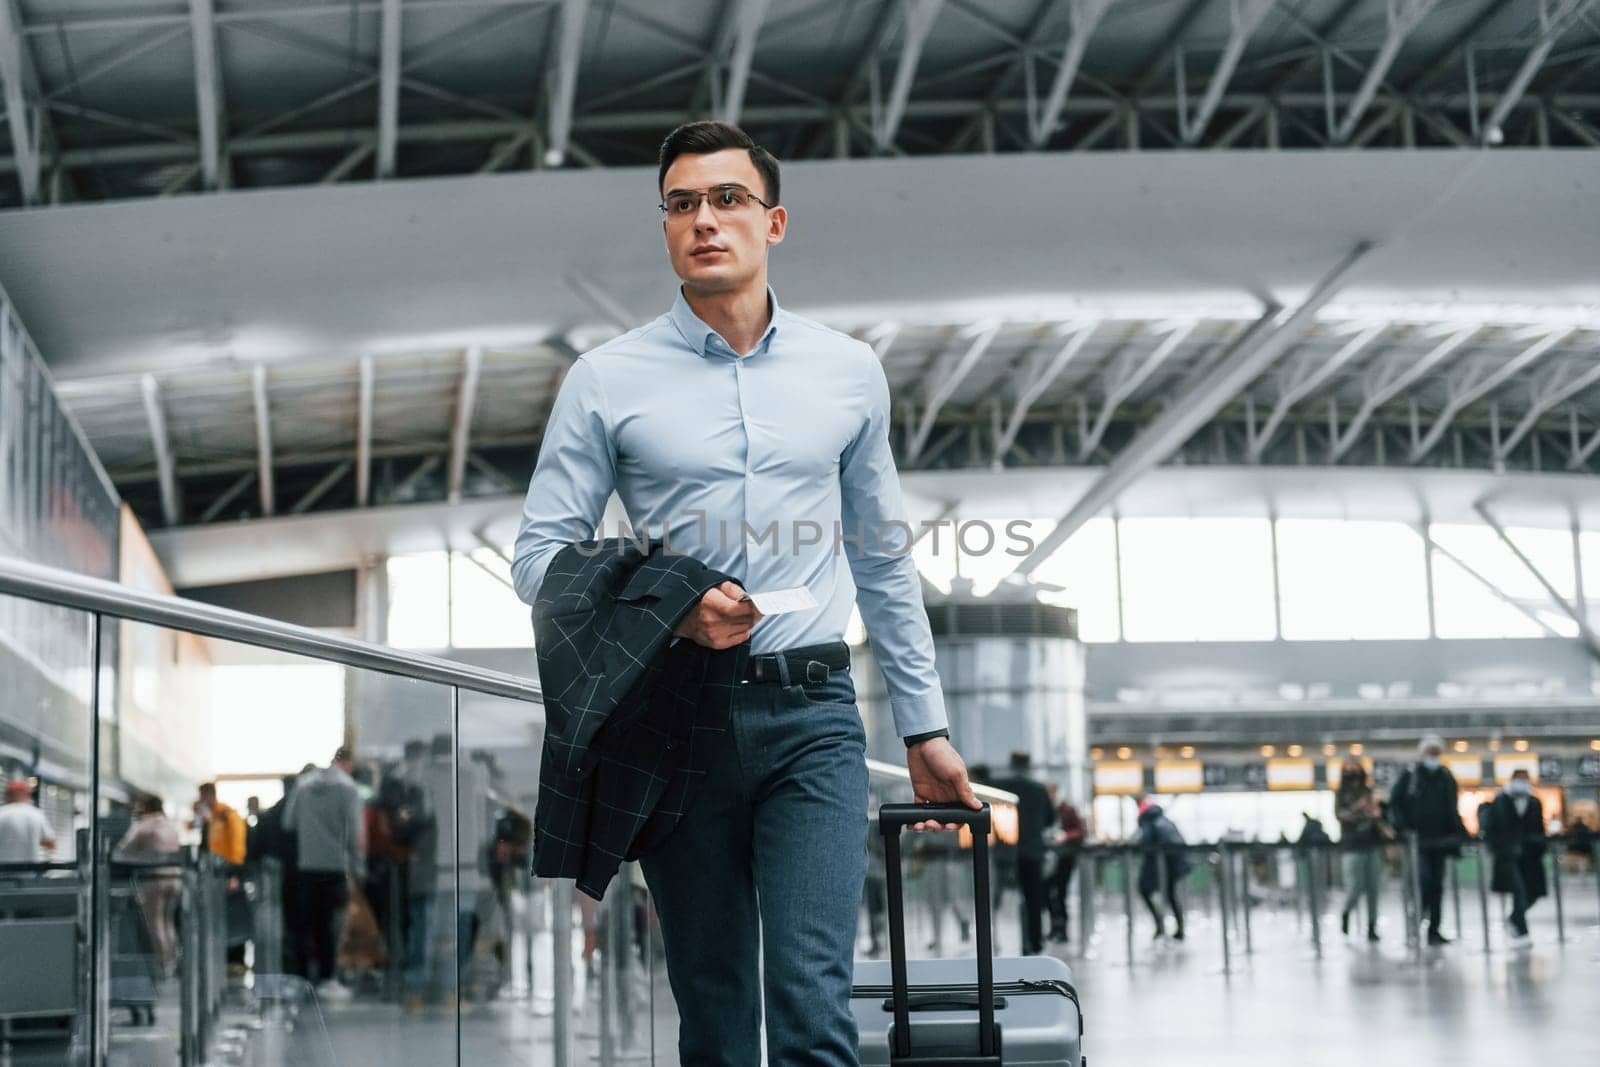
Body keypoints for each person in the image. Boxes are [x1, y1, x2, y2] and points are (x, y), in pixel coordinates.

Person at [510, 120, 977, 1064]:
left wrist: (923, 726)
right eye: (682, 203)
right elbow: (538, 557)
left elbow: (882, 556)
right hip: (677, 716)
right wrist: (669, 603)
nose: (704, 220)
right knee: (716, 1013)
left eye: (728, 199)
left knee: (813, 1005)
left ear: (775, 223)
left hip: (813, 714)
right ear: (667, 227)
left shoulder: (848, 371)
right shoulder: (606, 380)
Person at [283, 747, 365, 999]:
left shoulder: (303, 786)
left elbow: (288, 822)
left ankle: (301, 977)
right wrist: (358, 865)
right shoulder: (348, 788)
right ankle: (328, 978)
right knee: (329, 925)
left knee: (303, 924)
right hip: (334, 866)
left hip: (306, 864)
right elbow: (354, 831)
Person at [1388, 734, 1465, 945]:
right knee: (1422, 881)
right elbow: (1395, 804)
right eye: (1430, 753)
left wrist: (1458, 834)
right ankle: (1416, 923)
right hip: (1417, 842)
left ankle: (1434, 929)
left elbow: (1452, 808)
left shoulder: (1445, 777)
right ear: (1422, 754)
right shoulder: (1410, 776)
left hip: (1440, 841)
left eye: (1436, 753)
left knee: (1437, 885)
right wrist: (1403, 829)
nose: (1433, 757)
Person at [114, 794, 181, 976]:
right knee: (168, 922)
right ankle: (171, 962)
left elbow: (122, 850)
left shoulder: (145, 825)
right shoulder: (170, 825)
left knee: (155, 924)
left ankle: (161, 966)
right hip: (174, 879)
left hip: (153, 879)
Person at [996, 752, 1053, 955]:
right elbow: (1049, 819)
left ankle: (997, 941)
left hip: (1006, 852)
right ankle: (1034, 941)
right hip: (1032, 851)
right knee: (1033, 898)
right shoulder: (1038, 789)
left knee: (999, 899)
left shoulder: (1001, 787)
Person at [1486, 769, 1546, 945]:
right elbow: (1492, 827)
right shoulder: (1500, 801)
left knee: (1532, 893)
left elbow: (1539, 828)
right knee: (1519, 892)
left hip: (1530, 856)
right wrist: (1499, 848)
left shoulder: (1534, 802)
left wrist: (1539, 846)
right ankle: (1522, 932)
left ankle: (1513, 919)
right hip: (1508, 856)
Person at [1335, 758, 1386, 941]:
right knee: (1355, 887)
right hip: (1352, 847)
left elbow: (1378, 818)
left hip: (1371, 845)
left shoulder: (1368, 792)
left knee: (1373, 887)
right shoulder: (1342, 793)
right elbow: (1340, 816)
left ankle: (1372, 926)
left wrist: (1376, 813)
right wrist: (1358, 808)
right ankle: (1346, 912)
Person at [1135, 795, 1189, 940]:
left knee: (1144, 890)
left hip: (1159, 863)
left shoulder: (1147, 819)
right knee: (1170, 894)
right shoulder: (1163, 819)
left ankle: (1160, 925)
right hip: (1173, 862)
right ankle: (1179, 927)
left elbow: (1145, 841)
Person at [1046, 788, 1087, 943]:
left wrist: (1065, 836)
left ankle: (1062, 930)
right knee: (1048, 892)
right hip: (1051, 858)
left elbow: (1080, 831)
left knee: (1061, 893)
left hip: (1065, 858)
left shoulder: (1068, 810)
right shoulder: (1048, 811)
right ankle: (1055, 927)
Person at [0, 778, 56, 863]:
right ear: (27, 796)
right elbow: (51, 844)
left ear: (7, 795)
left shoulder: (2, 813)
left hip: (3, 872)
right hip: (30, 872)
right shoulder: (36, 814)